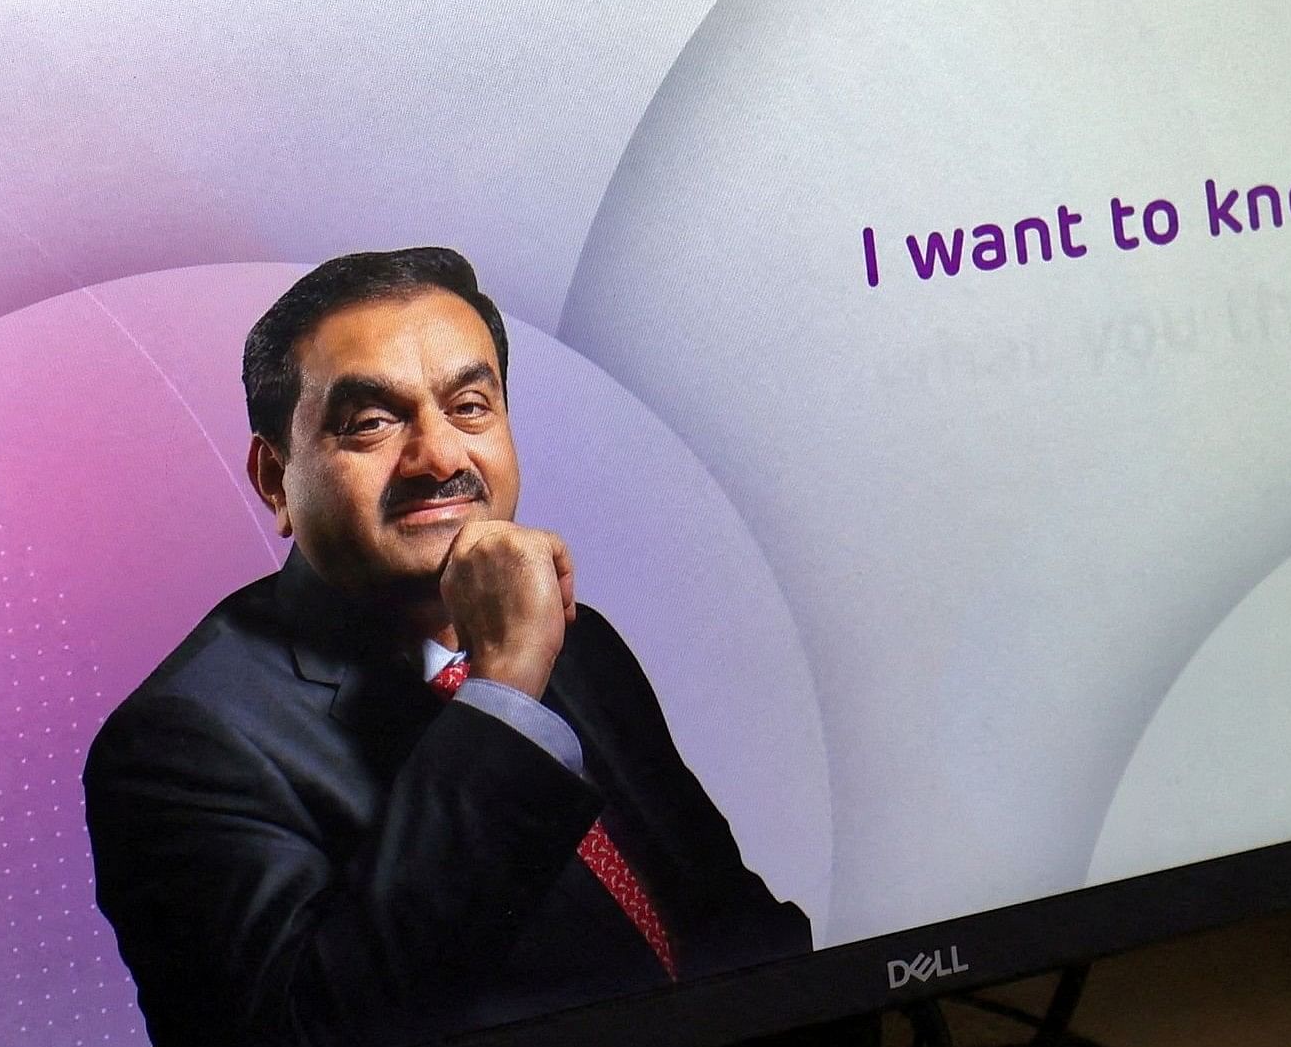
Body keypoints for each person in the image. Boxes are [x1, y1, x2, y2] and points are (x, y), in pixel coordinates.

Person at [84, 247, 809, 1047]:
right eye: (371, 422)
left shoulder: (578, 642)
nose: (440, 458)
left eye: (470, 406)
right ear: (272, 478)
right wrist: (501, 694)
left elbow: (738, 932)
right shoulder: (180, 744)